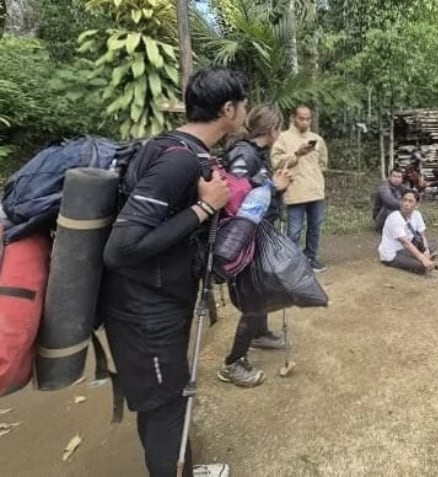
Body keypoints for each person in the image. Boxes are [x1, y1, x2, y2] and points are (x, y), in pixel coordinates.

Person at [99, 67, 248, 477]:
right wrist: (204, 208)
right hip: (143, 311)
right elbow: (121, 248)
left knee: (168, 399)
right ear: (228, 109)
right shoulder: (178, 161)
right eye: (243, 104)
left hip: (158, 301)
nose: (245, 111)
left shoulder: (181, 149)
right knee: (165, 407)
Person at [218, 104, 294, 388]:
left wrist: (278, 186)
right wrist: (274, 187)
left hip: (260, 230)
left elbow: (258, 187)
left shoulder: (257, 154)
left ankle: (260, 334)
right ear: (273, 129)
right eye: (280, 128)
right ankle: (233, 363)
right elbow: (236, 198)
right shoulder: (243, 154)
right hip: (245, 235)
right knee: (252, 294)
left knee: (263, 285)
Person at [271, 104, 329, 273]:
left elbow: (323, 163)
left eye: (308, 118)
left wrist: (315, 175)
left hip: (315, 191)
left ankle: (310, 258)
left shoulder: (317, 139)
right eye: (301, 118)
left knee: (315, 228)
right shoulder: (283, 138)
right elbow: (276, 162)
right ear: (293, 118)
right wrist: (297, 154)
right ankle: (292, 263)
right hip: (295, 191)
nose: (305, 122)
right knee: (294, 231)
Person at [378, 189, 438, 275]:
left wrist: (426, 249)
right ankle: (420, 258)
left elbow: (422, 235)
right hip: (394, 253)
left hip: (408, 248)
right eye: (404, 200)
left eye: (410, 201)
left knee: (434, 242)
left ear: (416, 205)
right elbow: (405, 243)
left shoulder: (417, 214)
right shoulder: (394, 218)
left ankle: (421, 255)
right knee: (423, 267)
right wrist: (423, 259)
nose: (406, 204)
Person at [373, 167, 404, 232]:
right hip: (381, 217)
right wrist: (405, 205)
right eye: (394, 176)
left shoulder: (401, 187)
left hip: (395, 216)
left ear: (402, 179)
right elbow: (390, 201)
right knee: (389, 207)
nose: (396, 179)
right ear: (389, 177)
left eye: (399, 177)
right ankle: (382, 229)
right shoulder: (384, 187)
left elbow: (413, 195)